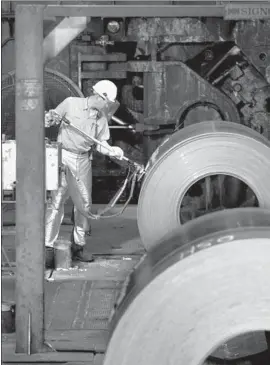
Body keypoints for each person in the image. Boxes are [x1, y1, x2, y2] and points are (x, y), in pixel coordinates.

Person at [44, 80, 124, 269]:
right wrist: (50, 118)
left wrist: (113, 150)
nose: (107, 105)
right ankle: (47, 247)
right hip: (64, 156)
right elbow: (50, 119)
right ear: (98, 96)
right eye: (107, 101)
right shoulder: (71, 103)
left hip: (83, 160)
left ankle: (78, 246)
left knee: (84, 205)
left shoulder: (101, 117)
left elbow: (101, 144)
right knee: (56, 202)